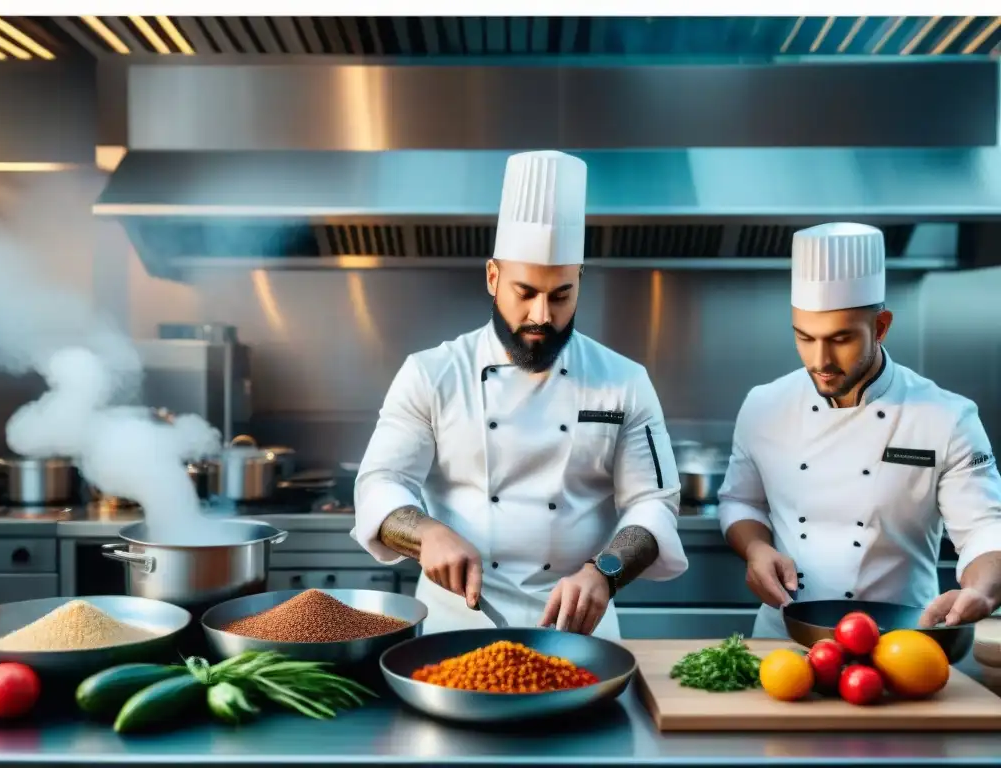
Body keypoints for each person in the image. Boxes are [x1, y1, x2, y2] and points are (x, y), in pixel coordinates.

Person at [351, 150, 689, 640]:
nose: (541, 316)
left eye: (560, 295)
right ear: (493, 277)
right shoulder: (431, 373)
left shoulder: (625, 380)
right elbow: (379, 483)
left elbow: (654, 504)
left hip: (582, 633)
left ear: (580, 283)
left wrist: (605, 572)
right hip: (455, 627)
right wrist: (427, 534)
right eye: (524, 292)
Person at [718, 222, 1001, 639]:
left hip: (902, 642)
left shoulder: (946, 417)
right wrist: (757, 549)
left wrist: (982, 589)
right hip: (783, 639)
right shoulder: (765, 405)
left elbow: (983, 529)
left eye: (841, 339)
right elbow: (739, 502)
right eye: (805, 337)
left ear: (881, 326)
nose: (821, 360)